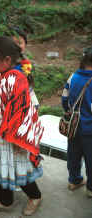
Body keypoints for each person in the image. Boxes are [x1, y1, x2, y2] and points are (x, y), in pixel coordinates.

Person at [0, 36, 44, 216]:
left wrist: (18, 139)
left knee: (19, 167)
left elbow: (20, 112)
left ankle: (35, 196)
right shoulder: (5, 74)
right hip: (2, 132)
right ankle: (6, 201)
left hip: (14, 136)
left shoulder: (16, 79)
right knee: (3, 164)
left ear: (7, 60)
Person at [0, 27, 39, 109]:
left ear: (25, 45)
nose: (16, 46)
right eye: (13, 43)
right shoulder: (0, 62)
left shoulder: (24, 64)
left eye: (19, 43)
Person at [61, 52, 92, 198]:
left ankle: (74, 181)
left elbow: (64, 99)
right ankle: (90, 189)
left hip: (73, 127)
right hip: (89, 130)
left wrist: (69, 111)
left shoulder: (73, 77)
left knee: (73, 155)